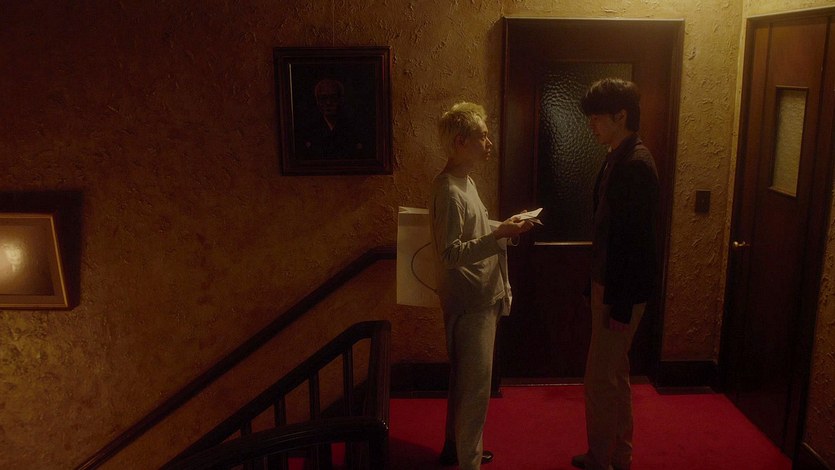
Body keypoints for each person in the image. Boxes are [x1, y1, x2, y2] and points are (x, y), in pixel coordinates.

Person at [429, 102, 533, 469]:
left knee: (466, 382)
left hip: (478, 295)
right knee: (474, 389)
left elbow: (473, 231)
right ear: (461, 141)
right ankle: (468, 462)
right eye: (483, 137)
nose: (489, 143)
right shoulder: (449, 190)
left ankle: (455, 449)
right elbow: (450, 253)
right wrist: (498, 235)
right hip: (470, 300)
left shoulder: (465, 182)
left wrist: (503, 226)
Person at [572, 78, 659, 470]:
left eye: (597, 117)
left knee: (600, 379)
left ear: (621, 116)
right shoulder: (617, 157)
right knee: (614, 374)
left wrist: (620, 304)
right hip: (609, 284)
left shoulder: (635, 164)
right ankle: (618, 455)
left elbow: (637, 243)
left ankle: (601, 458)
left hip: (620, 290)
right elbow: (606, 232)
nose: (591, 124)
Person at [295, 78, 372, 160]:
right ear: (317, 101)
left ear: (341, 99)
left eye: (333, 98)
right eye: (323, 98)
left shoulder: (353, 128)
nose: (328, 103)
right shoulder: (309, 130)